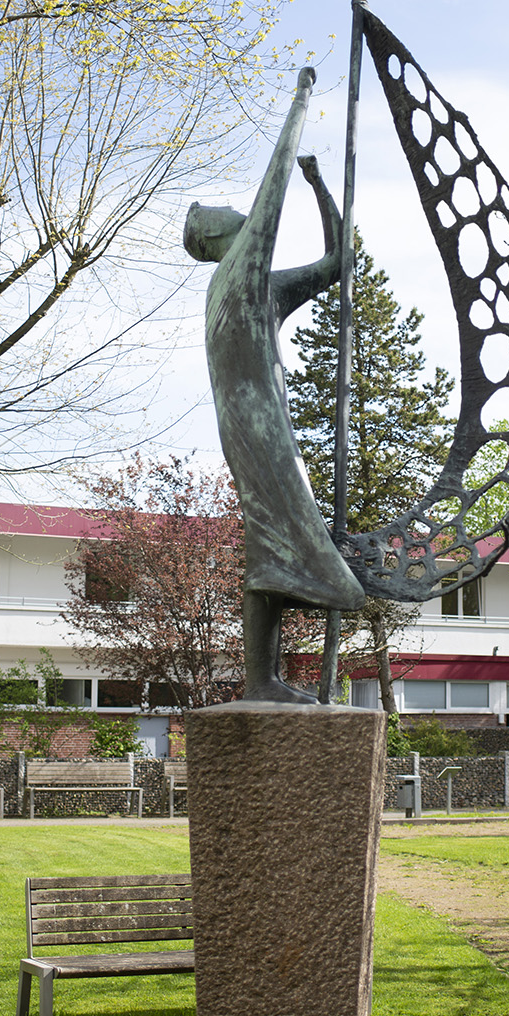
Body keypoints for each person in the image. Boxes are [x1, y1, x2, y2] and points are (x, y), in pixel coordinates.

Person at [184, 67, 364, 702]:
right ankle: (264, 677)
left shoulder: (254, 286)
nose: (239, 212)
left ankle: (263, 679)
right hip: (259, 433)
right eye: (223, 213)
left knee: (271, 536)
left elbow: (342, 262)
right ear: (217, 236)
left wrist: (321, 186)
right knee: (285, 534)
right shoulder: (237, 272)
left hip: (259, 427)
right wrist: (301, 99)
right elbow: (270, 191)